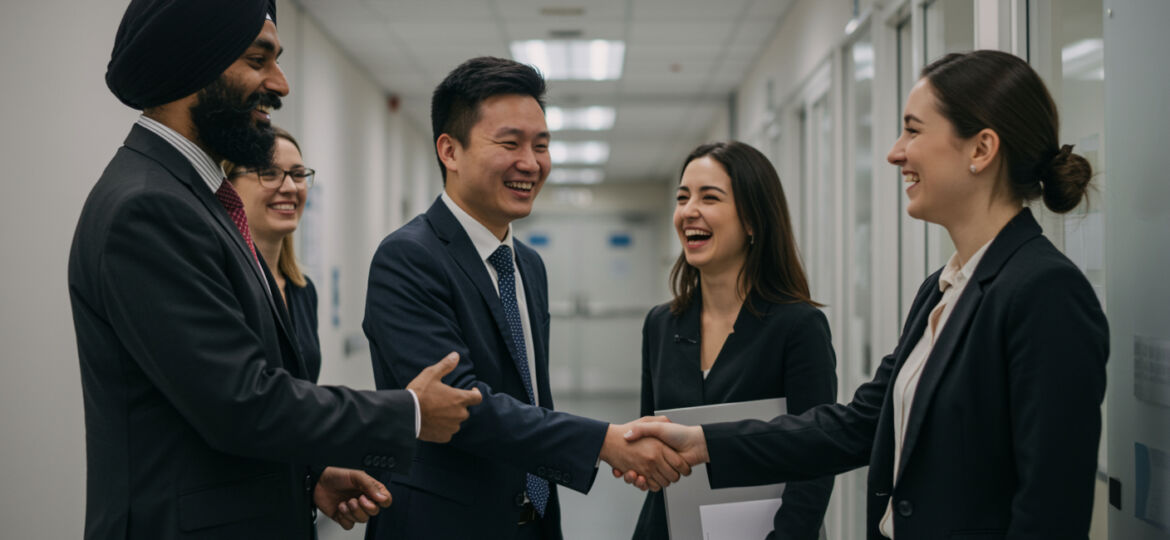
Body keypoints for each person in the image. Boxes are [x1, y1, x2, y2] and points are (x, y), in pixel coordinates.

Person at [624, 50, 1109, 539]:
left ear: (981, 150)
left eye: (914, 130)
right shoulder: (943, 289)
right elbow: (856, 425)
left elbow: (1050, 512)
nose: (895, 152)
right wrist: (705, 442)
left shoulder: (1045, 291)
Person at [68, 2, 481, 538]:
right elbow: (240, 402)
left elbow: (207, 408)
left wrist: (305, 476)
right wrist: (408, 411)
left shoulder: (196, 199)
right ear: (191, 63)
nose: (280, 84)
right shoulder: (148, 208)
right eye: (257, 60)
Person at [362, 56, 691, 540]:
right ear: (450, 151)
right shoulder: (409, 258)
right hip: (445, 522)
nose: (531, 163)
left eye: (541, 146)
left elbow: (529, 395)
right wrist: (604, 442)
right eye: (510, 143)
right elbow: (463, 407)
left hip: (531, 517)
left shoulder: (527, 264)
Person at [628, 141, 837, 539]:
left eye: (710, 198)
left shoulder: (798, 326)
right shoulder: (660, 324)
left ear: (754, 220)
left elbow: (815, 459)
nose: (690, 211)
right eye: (683, 197)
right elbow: (654, 446)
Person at [226, 126, 322, 381]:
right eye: (269, 173)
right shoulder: (223, 284)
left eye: (298, 175)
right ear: (229, 186)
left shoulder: (303, 291)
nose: (290, 187)